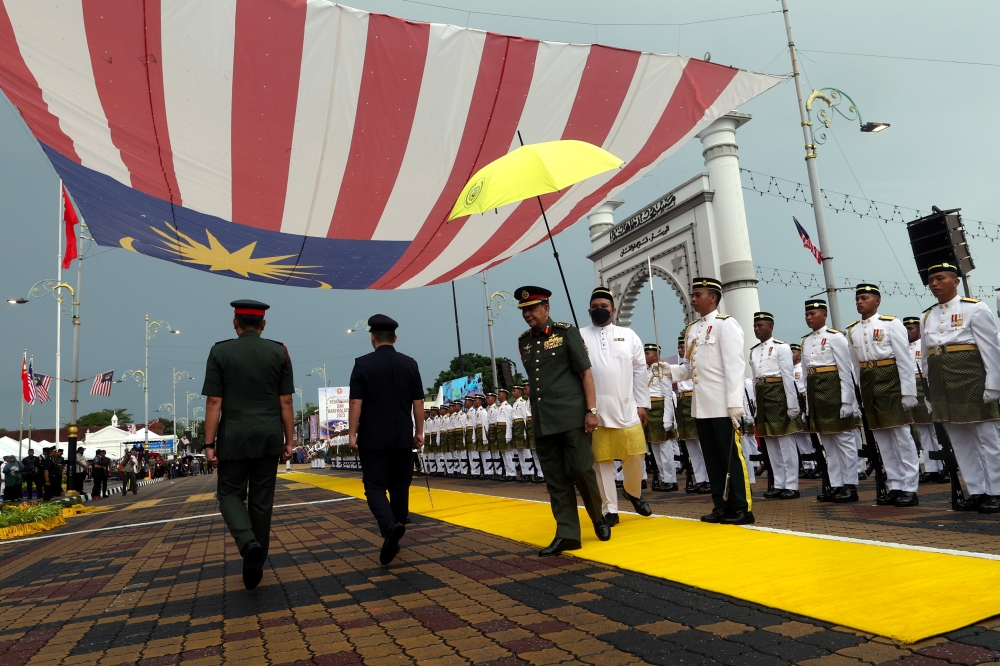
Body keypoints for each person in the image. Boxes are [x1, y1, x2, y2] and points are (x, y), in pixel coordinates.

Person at [202, 299, 295, 590]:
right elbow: (286, 401)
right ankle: (257, 561)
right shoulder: (279, 351)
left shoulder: (220, 351)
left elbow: (214, 401)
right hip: (269, 435)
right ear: (263, 324)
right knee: (262, 501)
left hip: (234, 436)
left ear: (235, 322)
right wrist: (290, 440)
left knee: (229, 494)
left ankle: (247, 542)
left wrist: (208, 443)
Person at [516, 286, 610, 555]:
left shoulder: (566, 332)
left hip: (572, 418)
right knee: (556, 480)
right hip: (544, 421)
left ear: (546, 308)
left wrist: (591, 410)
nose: (527, 314)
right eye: (524, 310)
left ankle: (598, 517)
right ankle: (568, 533)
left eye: (532, 308)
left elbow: (585, 374)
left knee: (582, 471)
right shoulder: (524, 341)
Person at [665, 277, 753, 524]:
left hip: (723, 403)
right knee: (712, 457)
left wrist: (735, 402)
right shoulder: (693, 329)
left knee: (729, 456)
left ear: (712, 297)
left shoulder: (727, 325)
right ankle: (722, 504)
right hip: (701, 404)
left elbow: (735, 366)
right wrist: (667, 370)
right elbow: (691, 369)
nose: (692, 299)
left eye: (697, 294)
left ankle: (742, 507)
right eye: (693, 295)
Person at [920, 263, 1000, 513]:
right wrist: (929, 391)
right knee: (960, 440)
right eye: (931, 279)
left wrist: (994, 385)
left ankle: (996, 491)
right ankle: (977, 490)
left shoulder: (975, 309)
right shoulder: (928, 315)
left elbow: (991, 349)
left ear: (955, 282)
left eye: (940, 278)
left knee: (988, 438)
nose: (934, 283)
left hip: (971, 377)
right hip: (942, 382)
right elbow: (925, 357)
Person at [348, 314, 425, 565]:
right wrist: (419, 432)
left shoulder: (362, 365)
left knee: (374, 486)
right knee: (400, 487)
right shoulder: (410, 364)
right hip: (403, 437)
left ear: (373, 338)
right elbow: (418, 404)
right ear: (395, 337)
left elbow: (355, 403)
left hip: (373, 438)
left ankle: (389, 525)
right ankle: (397, 530)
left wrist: (352, 434)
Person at [580, 287, 653, 525]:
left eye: (604, 306)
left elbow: (640, 371)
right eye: (595, 307)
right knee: (601, 463)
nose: (599, 310)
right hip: (595, 409)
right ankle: (609, 509)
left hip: (627, 407)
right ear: (588, 310)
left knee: (636, 454)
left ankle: (632, 492)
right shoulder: (579, 336)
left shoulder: (629, 335)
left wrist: (642, 404)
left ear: (613, 310)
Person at [845, 284, 921, 507]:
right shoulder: (852, 330)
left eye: (864, 297)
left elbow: (904, 360)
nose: (859, 301)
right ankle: (895, 485)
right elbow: (855, 367)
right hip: (869, 384)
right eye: (857, 298)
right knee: (883, 439)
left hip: (891, 381)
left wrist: (908, 391)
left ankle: (910, 487)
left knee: (901, 436)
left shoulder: (891, 323)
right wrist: (858, 397)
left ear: (877, 301)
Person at [802, 299, 860, 503]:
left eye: (813, 313)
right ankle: (836, 485)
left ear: (824, 315)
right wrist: (808, 405)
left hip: (834, 391)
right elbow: (805, 376)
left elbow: (846, 371)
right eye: (807, 314)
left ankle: (850, 485)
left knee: (845, 442)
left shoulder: (836, 338)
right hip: (817, 395)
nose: (809, 317)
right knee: (828, 443)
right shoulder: (805, 341)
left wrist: (847, 401)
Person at [749, 312, 802, 500]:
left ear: (770, 327)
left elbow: (788, 377)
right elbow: (756, 380)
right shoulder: (753, 351)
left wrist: (792, 404)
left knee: (785, 444)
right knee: (770, 444)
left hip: (779, 394)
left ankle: (792, 485)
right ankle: (779, 483)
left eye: (760, 325)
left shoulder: (782, 347)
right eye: (755, 326)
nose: (756, 329)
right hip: (763, 396)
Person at [903, 316, 946, 482]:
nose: (908, 332)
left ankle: (943, 464)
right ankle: (931, 468)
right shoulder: (904, 347)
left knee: (935, 430)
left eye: (911, 328)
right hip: (912, 387)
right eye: (905, 329)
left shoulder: (925, 346)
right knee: (922, 431)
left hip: (926, 386)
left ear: (919, 330)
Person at [645, 344, 679, 492]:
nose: (644, 356)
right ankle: (664, 478)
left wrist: (667, 418)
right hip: (649, 410)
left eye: (647, 353)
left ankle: (671, 480)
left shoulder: (661, 371)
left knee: (665, 449)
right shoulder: (644, 371)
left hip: (660, 409)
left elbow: (667, 396)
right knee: (655, 448)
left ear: (656, 356)